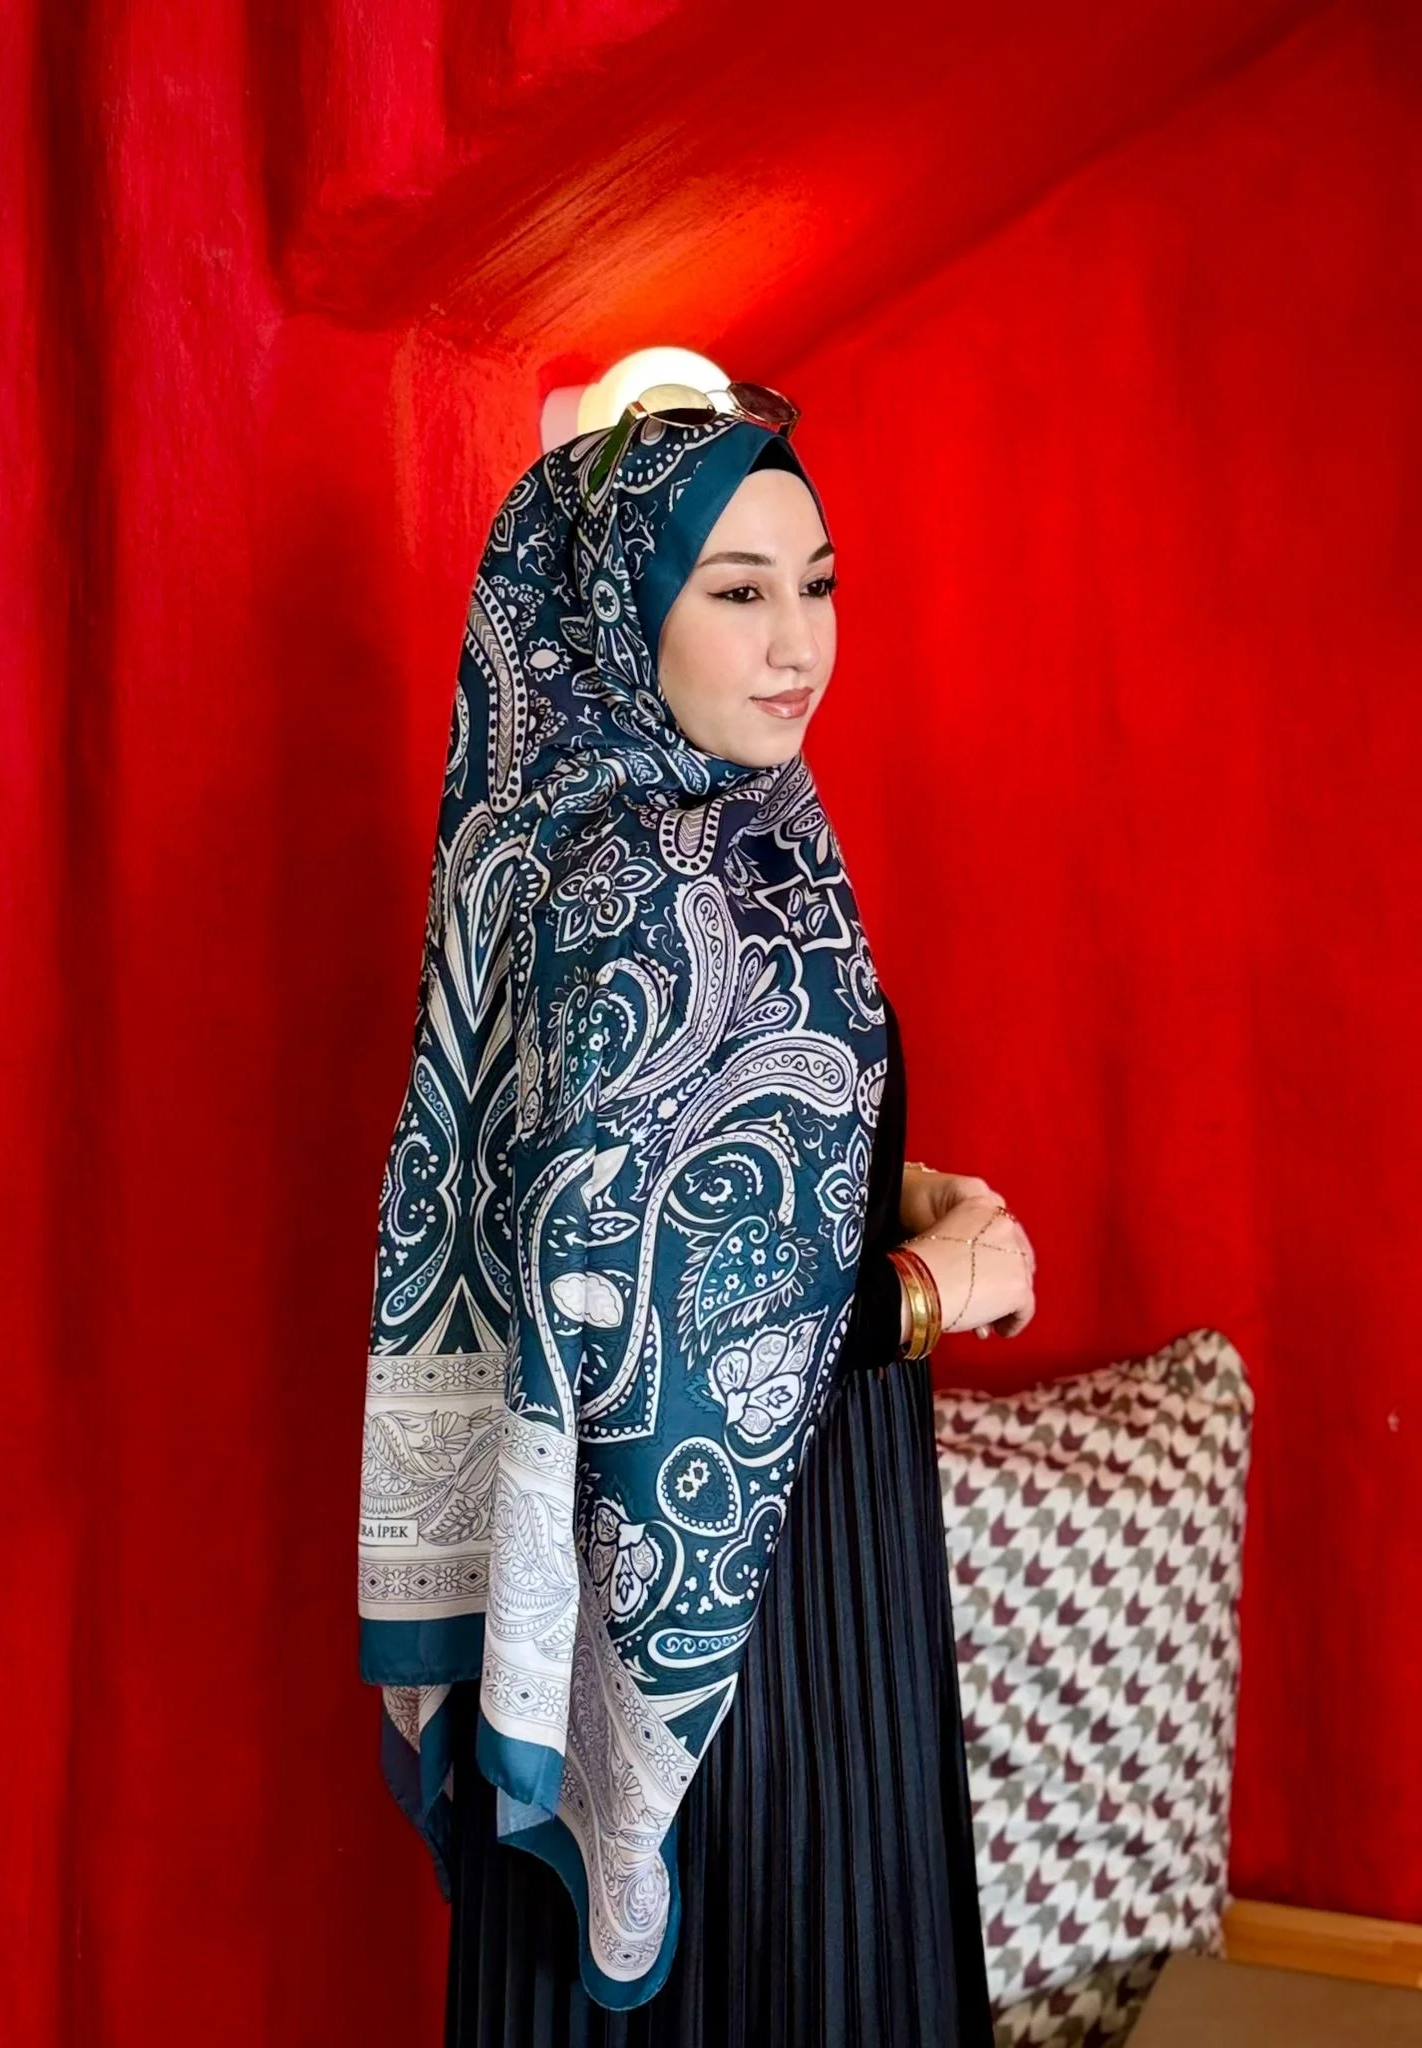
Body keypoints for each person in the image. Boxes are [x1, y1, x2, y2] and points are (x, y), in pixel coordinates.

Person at [357, 386, 1037, 2048]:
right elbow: (644, 1313)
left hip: (801, 1513)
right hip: (725, 1581)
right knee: (785, 1956)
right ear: (623, 612)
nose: (798, 641)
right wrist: (931, 1288)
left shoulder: (713, 827)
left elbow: (707, 1162)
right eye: (738, 591)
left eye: (819, 583)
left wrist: (892, 1178)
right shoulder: (637, 887)